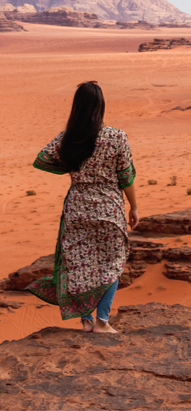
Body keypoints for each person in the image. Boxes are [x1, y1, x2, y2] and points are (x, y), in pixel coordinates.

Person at [27, 81, 140, 333]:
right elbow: (126, 176)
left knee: (79, 265)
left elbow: (42, 158)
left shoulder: (70, 138)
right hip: (109, 209)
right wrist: (134, 207)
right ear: (100, 107)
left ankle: (86, 321)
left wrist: (70, 166)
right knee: (113, 263)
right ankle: (102, 320)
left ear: (76, 107)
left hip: (77, 208)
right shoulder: (116, 136)